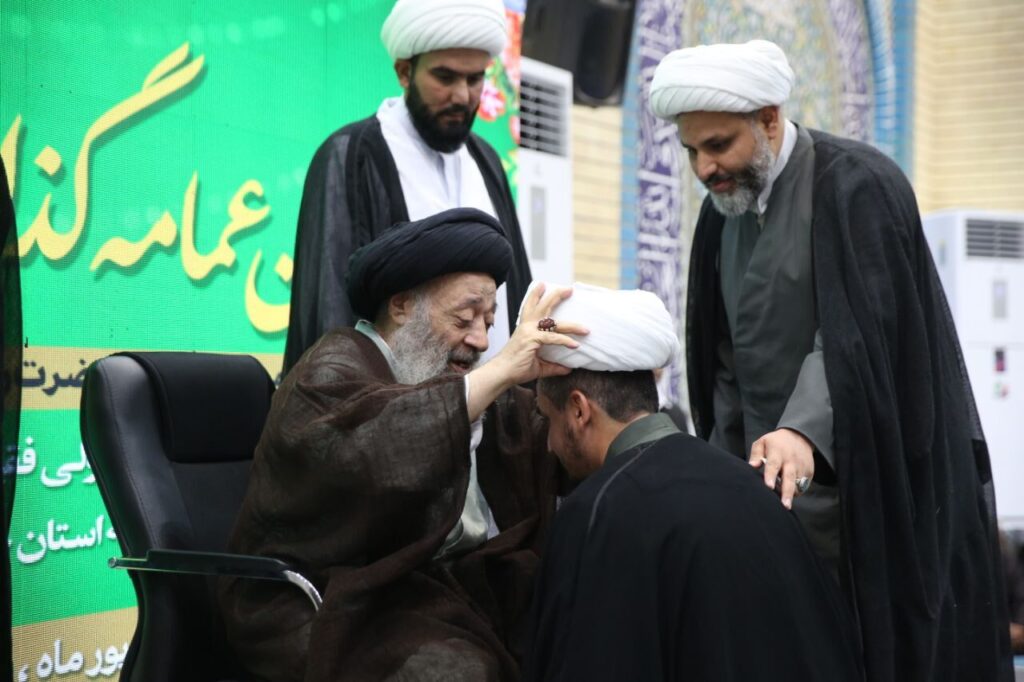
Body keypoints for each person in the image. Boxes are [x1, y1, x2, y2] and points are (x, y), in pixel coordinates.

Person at [649, 40, 1012, 680]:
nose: (705, 168)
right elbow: (723, 371)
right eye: (692, 151)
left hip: (868, 502)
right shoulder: (721, 216)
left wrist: (801, 432)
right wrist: (721, 480)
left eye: (718, 145)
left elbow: (856, 335)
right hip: (766, 509)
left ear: (769, 119)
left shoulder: (857, 186)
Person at [220, 208, 583, 682]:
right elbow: (377, 453)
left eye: (489, 322)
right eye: (465, 317)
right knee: (454, 672)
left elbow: (533, 430)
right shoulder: (329, 370)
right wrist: (501, 370)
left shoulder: (447, 378)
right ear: (401, 306)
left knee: (572, 614)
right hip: (321, 600)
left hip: (419, 591)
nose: (480, 340)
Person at [522, 283, 861, 682]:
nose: (548, 444)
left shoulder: (596, 515)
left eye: (547, 418)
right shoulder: (755, 491)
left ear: (579, 410)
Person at [284, 0, 531, 373]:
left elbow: (517, 295)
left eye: (474, 79)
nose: (462, 96)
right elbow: (329, 314)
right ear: (404, 71)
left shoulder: (487, 162)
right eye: (445, 77)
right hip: (386, 405)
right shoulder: (351, 155)